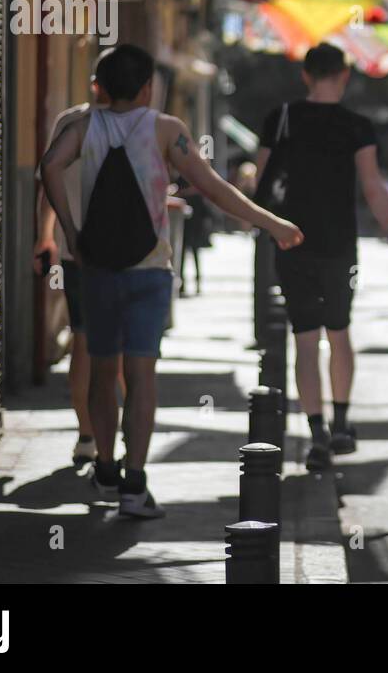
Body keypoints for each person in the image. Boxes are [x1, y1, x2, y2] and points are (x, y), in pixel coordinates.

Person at [41, 45, 302, 518]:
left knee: (103, 371)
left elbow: (49, 166)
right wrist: (272, 223)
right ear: (146, 87)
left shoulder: (83, 127)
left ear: (101, 84)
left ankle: (104, 463)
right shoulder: (166, 130)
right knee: (141, 375)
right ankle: (134, 485)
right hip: (150, 271)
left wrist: (71, 231)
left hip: (97, 269)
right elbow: (214, 188)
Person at [254, 43, 388, 472]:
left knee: (304, 338)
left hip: (289, 241)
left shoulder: (280, 118)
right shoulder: (356, 126)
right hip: (339, 245)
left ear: (305, 75)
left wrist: (260, 225)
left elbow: (261, 182)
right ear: (344, 76)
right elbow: (373, 187)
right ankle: (340, 423)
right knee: (339, 332)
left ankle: (315, 431)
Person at [31, 75, 113, 468]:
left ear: (94, 83)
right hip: (126, 256)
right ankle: (119, 439)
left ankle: (86, 436)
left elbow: (47, 183)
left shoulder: (70, 122)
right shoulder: (141, 123)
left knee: (83, 342)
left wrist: (45, 237)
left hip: (75, 253)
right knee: (125, 349)